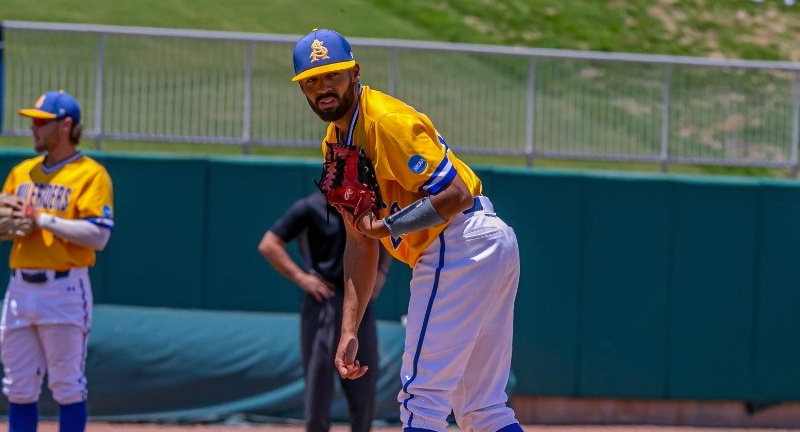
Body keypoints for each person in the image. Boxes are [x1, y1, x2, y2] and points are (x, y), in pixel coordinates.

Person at [291, 29, 524, 432]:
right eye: (311, 80)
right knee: (482, 408)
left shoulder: (385, 121)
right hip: (482, 244)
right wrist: (349, 328)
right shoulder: (336, 140)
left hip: (458, 241)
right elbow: (359, 241)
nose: (323, 88)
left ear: (355, 73)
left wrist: (386, 226)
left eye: (332, 75)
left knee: (422, 400)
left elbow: (455, 193)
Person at [1, 90, 114, 432]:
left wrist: (43, 219)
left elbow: (99, 234)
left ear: (65, 126)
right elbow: (9, 223)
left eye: (40, 122)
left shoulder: (91, 175)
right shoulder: (22, 172)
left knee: (67, 385)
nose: (33, 129)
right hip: (19, 289)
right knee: (18, 387)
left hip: (64, 288)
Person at [257, 190, 391, 432]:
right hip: (324, 302)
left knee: (364, 383)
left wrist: (380, 273)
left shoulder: (364, 206)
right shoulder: (309, 207)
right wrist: (302, 277)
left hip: (358, 303)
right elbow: (269, 244)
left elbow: (386, 235)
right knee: (318, 384)